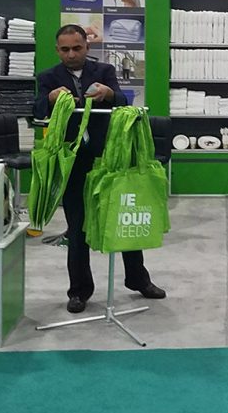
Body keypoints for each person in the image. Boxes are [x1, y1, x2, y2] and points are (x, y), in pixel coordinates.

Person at [33, 24, 166, 314]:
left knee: (123, 219)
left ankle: (138, 280)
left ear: (87, 47)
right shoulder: (48, 77)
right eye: (65, 49)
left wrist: (108, 94)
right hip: (71, 163)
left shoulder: (104, 71)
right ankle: (79, 291)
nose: (71, 54)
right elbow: (37, 110)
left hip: (108, 159)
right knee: (77, 228)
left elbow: (123, 102)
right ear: (57, 50)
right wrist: (50, 99)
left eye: (77, 48)